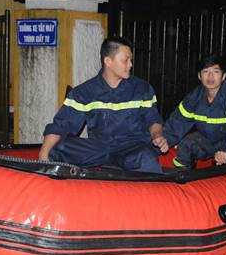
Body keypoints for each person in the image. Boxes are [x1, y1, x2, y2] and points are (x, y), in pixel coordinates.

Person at [39, 36, 169, 173]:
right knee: (57, 148)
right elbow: (61, 124)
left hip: (132, 147)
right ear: (108, 61)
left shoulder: (142, 88)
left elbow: (153, 119)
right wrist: (43, 155)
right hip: (99, 148)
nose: (130, 64)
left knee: (147, 159)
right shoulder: (84, 92)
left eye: (131, 60)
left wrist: (157, 136)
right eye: (125, 60)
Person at [163, 54, 226, 168]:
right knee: (187, 143)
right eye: (205, 71)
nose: (210, 76)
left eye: (216, 71)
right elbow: (177, 123)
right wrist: (163, 140)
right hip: (207, 141)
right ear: (199, 76)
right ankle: (184, 177)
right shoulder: (194, 97)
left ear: (223, 76)